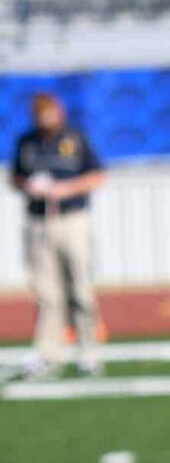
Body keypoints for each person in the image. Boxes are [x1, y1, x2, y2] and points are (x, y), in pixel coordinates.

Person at [10, 92, 108, 380]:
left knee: (80, 287)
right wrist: (30, 186)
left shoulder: (74, 139)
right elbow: (16, 178)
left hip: (72, 219)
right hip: (39, 221)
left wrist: (66, 189)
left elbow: (97, 175)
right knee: (46, 293)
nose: (45, 119)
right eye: (40, 114)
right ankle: (48, 354)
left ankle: (88, 352)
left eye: (49, 113)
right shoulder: (27, 143)